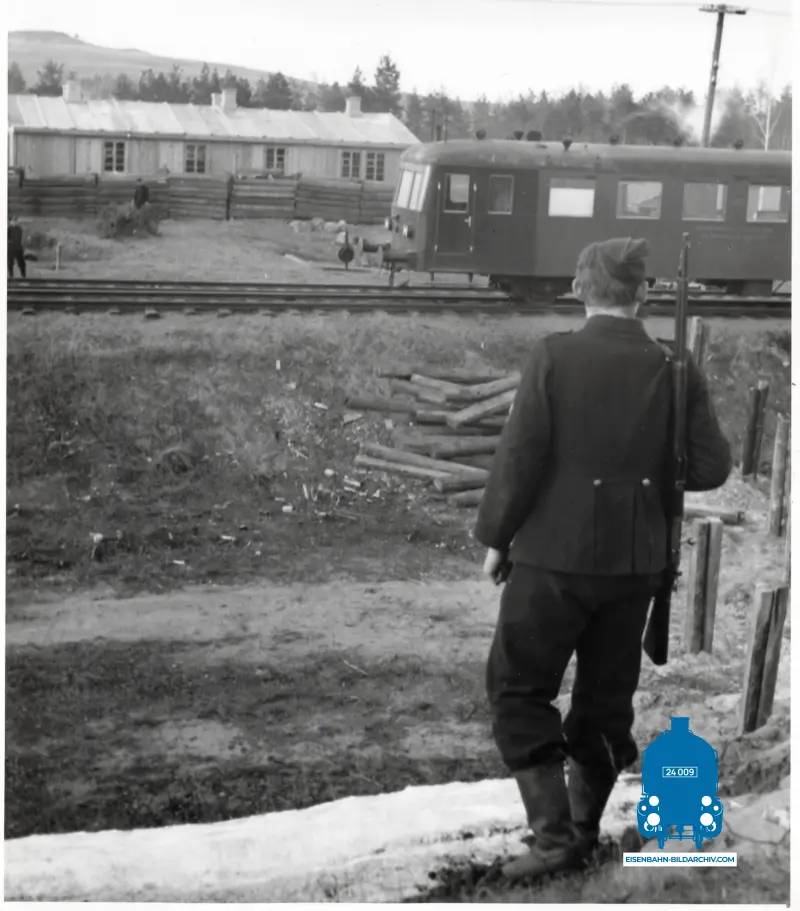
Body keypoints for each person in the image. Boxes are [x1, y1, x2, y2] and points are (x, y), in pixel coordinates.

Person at [474, 237, 732, 881]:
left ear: (579, 290)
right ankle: (582, 831)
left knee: (518, 687)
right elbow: (710, 467)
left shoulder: (554, 355)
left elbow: (521, 457)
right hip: (635, 567)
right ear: (643, 293)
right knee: (604, 702)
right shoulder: (674, 366)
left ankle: (555, 839)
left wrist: (499, 539)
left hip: (553, 559)